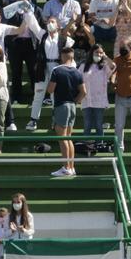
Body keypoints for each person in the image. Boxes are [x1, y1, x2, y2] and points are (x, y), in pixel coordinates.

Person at [45, 47, 84, 176]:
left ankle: (66, 168)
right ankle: (71, 168)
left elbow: (50, 89)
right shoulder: (77, 72)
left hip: (61, 106)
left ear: (62, 56)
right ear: (72, 57)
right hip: (72, 106)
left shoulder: (57, 70)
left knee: (62, 139)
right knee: (68, 138)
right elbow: (84, 92)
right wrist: (74, 101)